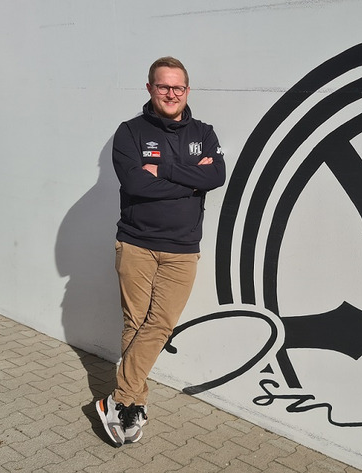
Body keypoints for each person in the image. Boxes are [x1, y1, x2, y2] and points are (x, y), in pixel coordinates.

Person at [96, 56, 226, 447]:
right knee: (135, 324)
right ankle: (134, 404)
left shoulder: (205, 132)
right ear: (150, 88)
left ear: (188, 90)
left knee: (161, 324)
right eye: (163, 86)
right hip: (136, 243)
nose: (171, 93)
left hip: (183, 248)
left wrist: (163, 169)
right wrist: (190, 176)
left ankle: (117, 400)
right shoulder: (129, 133)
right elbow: (136, 185)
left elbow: (216, 175)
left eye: (178, 87)